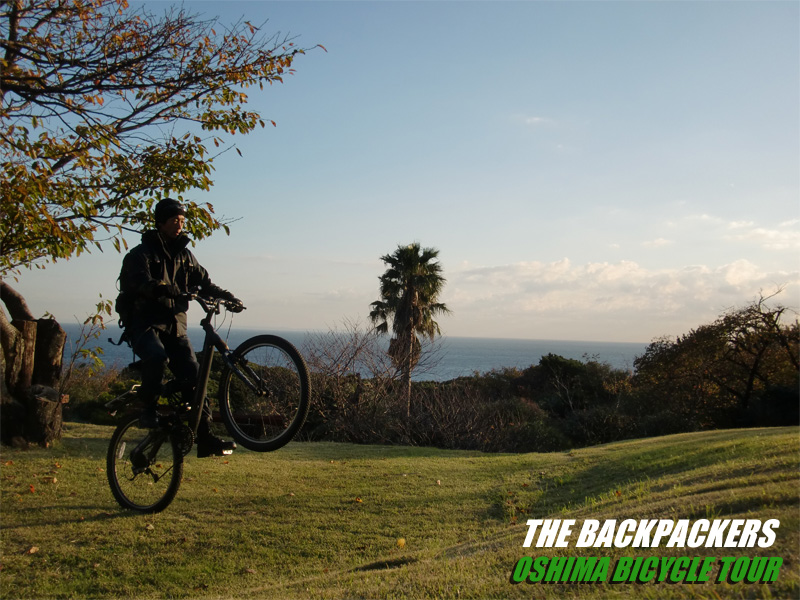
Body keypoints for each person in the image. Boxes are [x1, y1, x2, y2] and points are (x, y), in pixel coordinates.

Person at [116, 198, 242, 458]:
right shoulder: (140, 255)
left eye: (182, 221)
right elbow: (139, 282)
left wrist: (228, 297)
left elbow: (205, 283)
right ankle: (148, 409)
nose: (179, 225)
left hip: (176, 327)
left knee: (196, 378)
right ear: (160, 222)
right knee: (156, 357)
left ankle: (204, 437)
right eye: (175, 220)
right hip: (144, 324)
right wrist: (162, 288)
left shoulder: (186, 256)